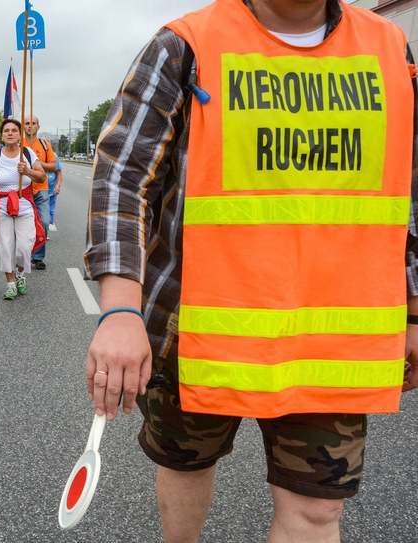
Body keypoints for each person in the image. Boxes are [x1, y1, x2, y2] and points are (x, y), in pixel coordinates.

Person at [83, 1, 418, 542]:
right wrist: (120, 308)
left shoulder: (389, 49)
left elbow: (408, 185)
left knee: (316, 514)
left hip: (329, 340)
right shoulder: (184, 45)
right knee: (187, 468)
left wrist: (415, 309)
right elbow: (122, 176)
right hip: (195, 331)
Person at [0, 118, 46, 300]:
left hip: (25, 207)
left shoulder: (28, 154)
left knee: (24, 247)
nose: (10, 133)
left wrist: (28, 171)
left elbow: (41, 177)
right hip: (1, 208)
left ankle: (20, 275)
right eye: (6, 130)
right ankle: (10, 284)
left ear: (19, 135)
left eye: (14, 130)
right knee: (6, 247)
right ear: (2, 135)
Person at [23, 115, 57, 270]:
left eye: (33, 123)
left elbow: (54, 166)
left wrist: (36, 164)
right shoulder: (17, 144)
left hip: (41, 189)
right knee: (24, 224)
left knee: (43, 221)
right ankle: (24, 253)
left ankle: (38, 256)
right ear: (23, 126)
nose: (30, 126)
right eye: (27, 123)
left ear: (38, 126)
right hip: (23, 191)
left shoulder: (44, 144)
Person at [48, 156, 63, 230]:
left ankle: (47, 228)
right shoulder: (36, 153)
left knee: (51, 210)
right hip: (38, 190)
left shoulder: (54, 156)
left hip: (51, 190)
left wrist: (58, 185)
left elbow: (59, 172)